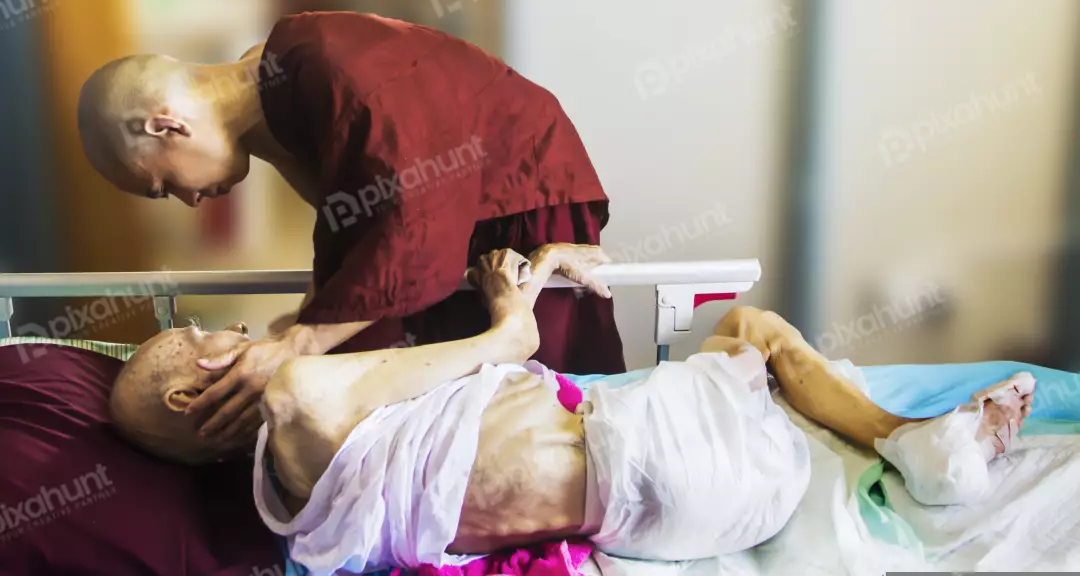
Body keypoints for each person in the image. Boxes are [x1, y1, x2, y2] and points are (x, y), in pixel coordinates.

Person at [110, 245, 1036, 574]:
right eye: (205, 338)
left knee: (732, 368)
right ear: (197, 394)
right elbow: (513, 350)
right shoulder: (301, 391)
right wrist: (510, 293)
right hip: (682, 470)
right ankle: (912, 448)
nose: (234, 327)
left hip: (661, 525)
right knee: (753, 330)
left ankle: (905, 445)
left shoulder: (292, 505)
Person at [77, 11, 625, 446]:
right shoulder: (269, 91)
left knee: (541, 406)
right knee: (379, 390)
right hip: (428, 219)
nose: (189, 200)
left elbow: (416, 224)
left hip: (510, 189)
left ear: (167, 125)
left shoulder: (332, 67)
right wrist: (310, 321)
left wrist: (300, 341)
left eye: (163, 185)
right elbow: (350, 218)